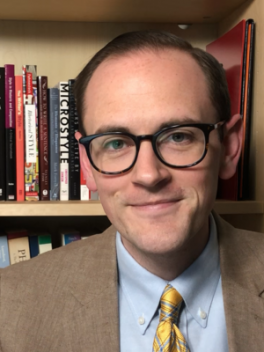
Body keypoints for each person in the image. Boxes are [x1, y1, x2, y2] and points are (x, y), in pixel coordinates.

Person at [0, 30, 263, 352]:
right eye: (116, 143)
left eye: (178, 136)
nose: (149, 175)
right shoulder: (9, 305)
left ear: (229, 149)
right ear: (86, 164)